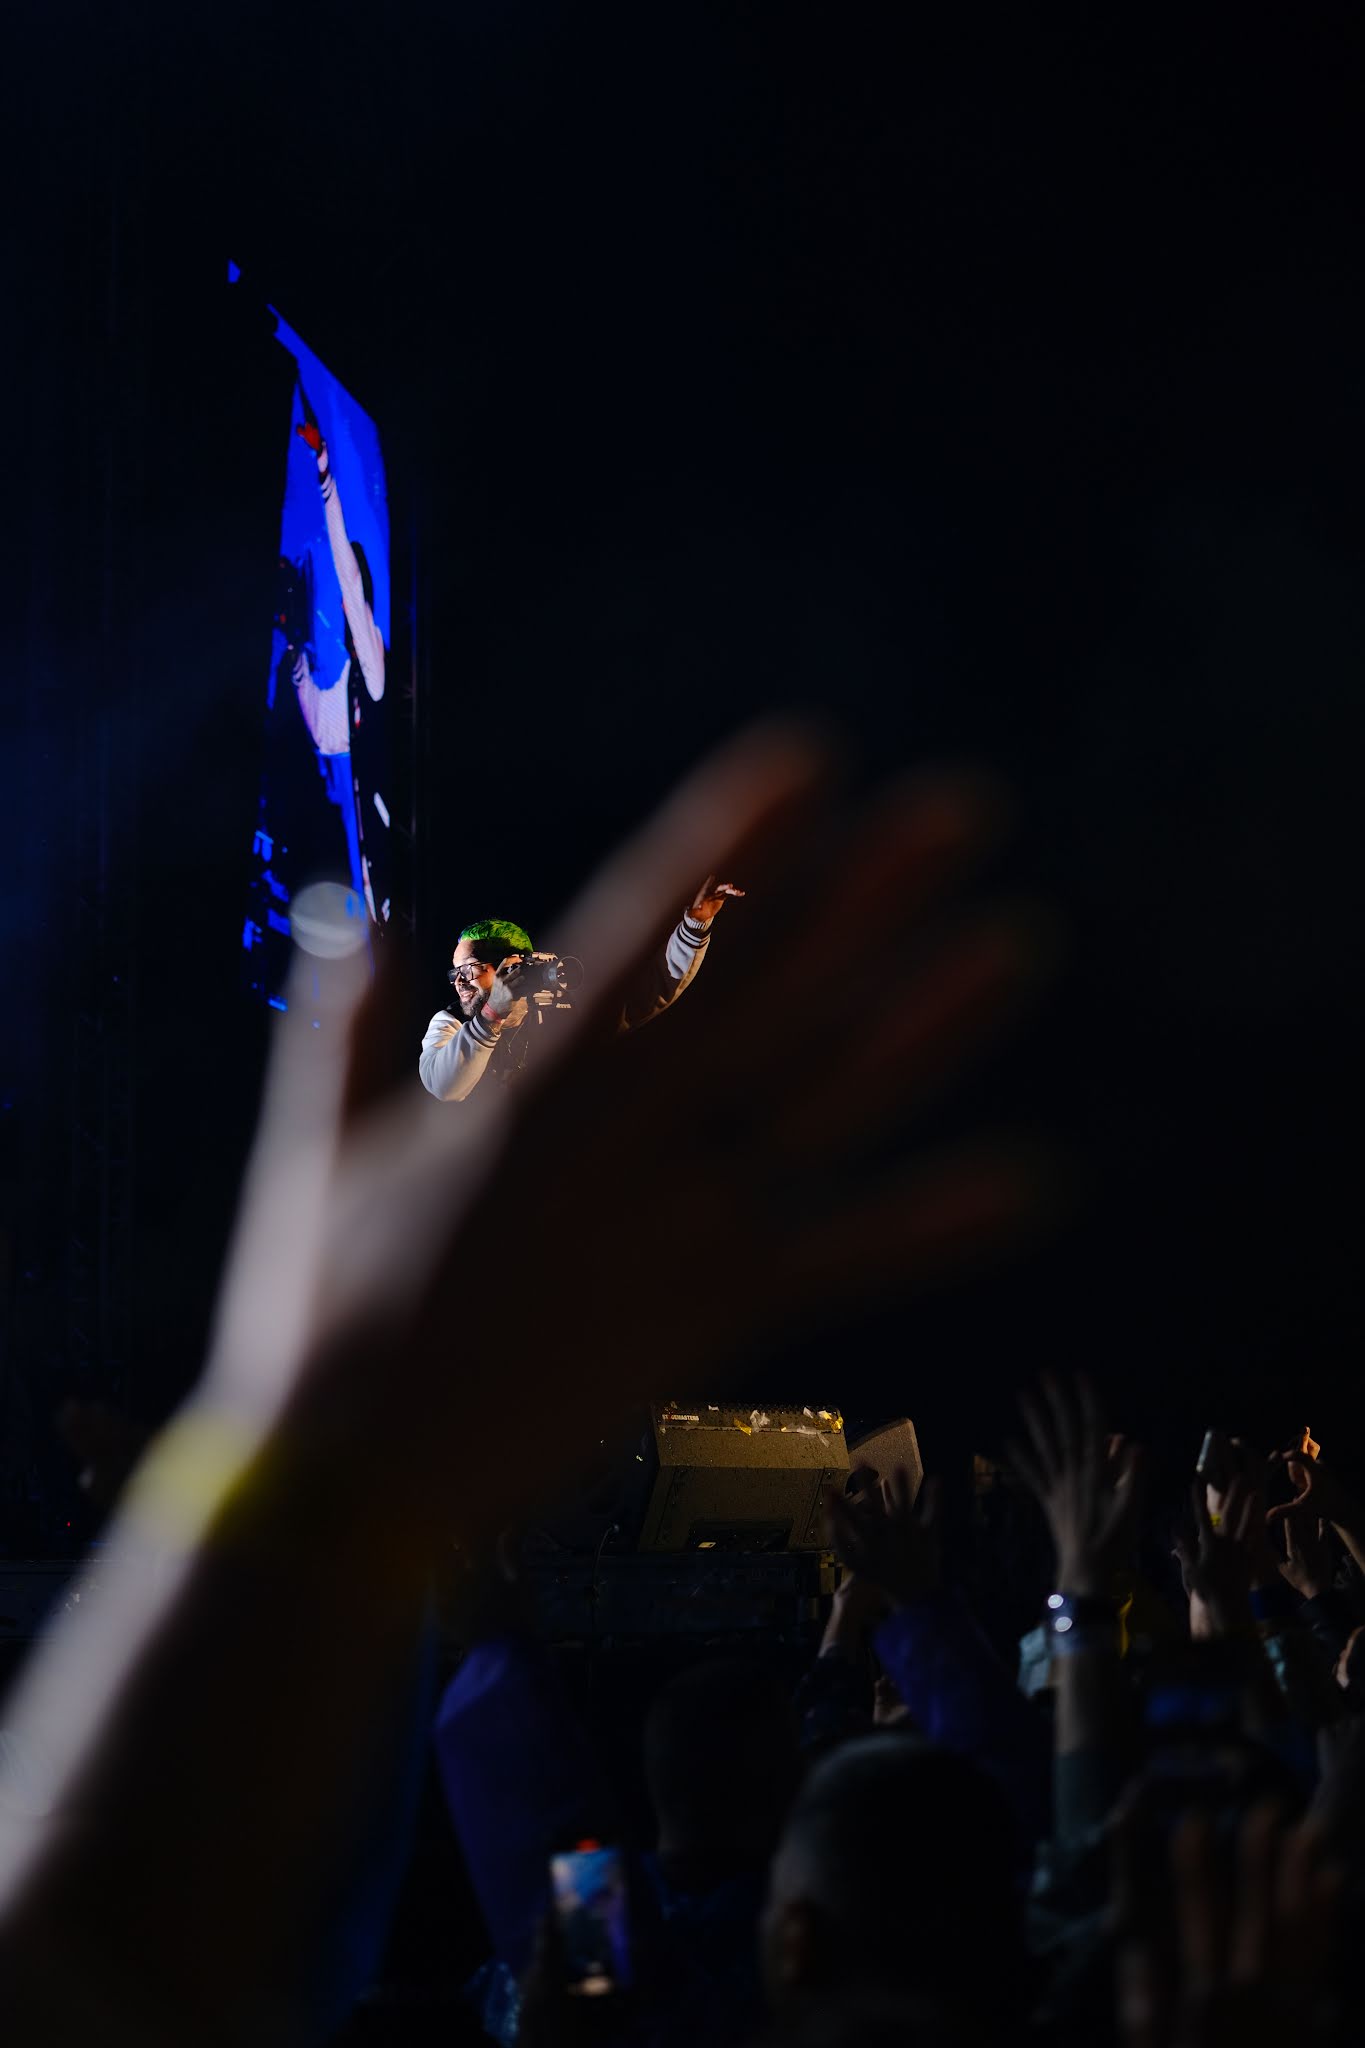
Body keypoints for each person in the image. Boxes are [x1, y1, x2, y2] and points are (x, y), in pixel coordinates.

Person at [418, 877, 744, 1101]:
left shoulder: (557, 1009)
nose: (458, 982)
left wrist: (695, 923)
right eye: (455, 972)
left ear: (509, 965)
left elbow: (655, 987)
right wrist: (491, 1016)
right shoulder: (450, 1023)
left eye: (468, 970)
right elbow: (444, 1086)